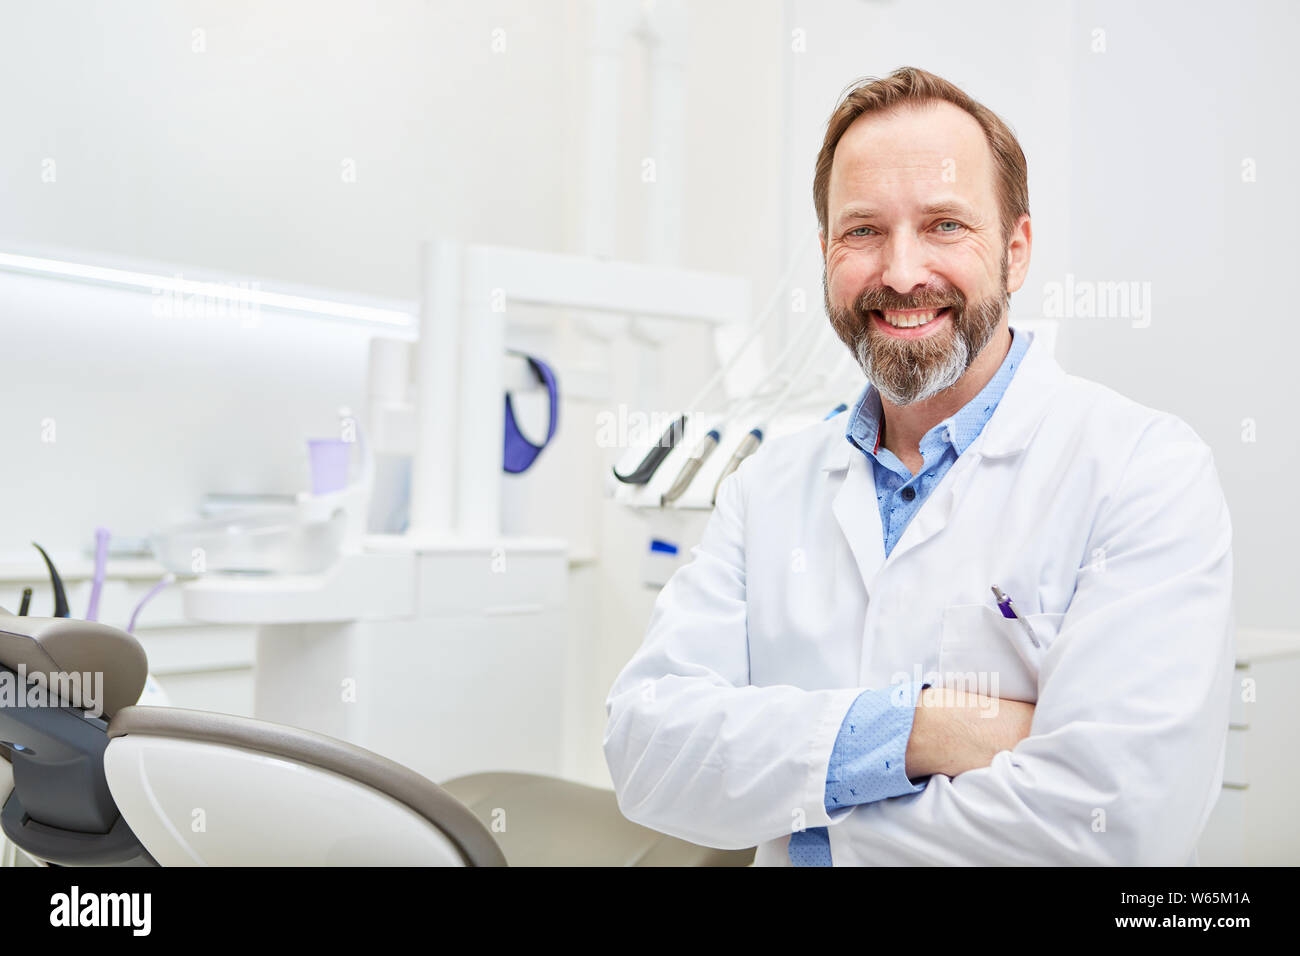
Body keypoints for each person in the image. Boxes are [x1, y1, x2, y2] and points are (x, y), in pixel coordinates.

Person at [603, 66, 1235, 866]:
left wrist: (803, 818)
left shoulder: (1143, 471)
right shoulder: (764, 489)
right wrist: (925, 728)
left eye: (944, 225)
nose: (901, 273)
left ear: (1015, 250)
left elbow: (1113, 824)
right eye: (863, 230)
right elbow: (645, 750)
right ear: (827, 250)